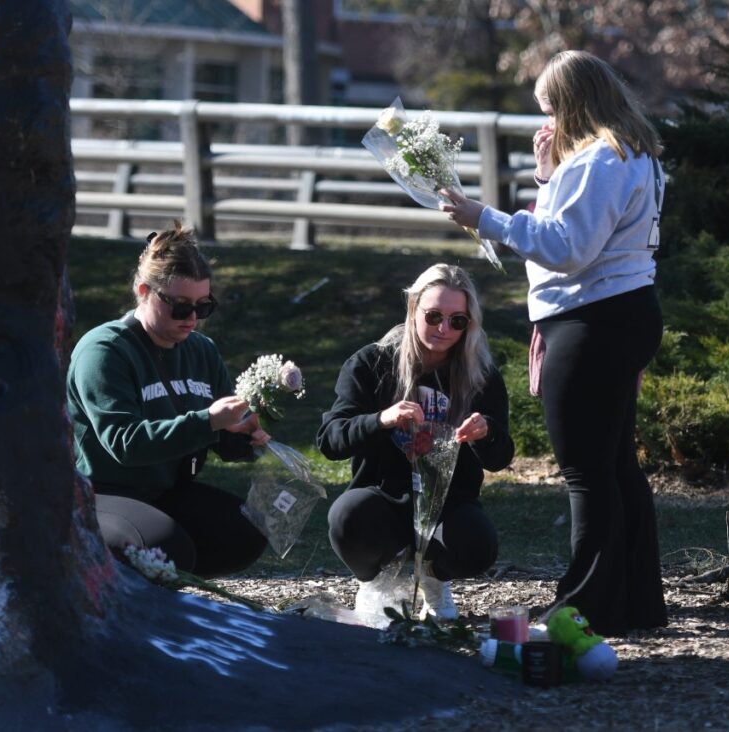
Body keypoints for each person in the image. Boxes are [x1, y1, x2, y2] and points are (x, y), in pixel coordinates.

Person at [440, 50, 667, 635]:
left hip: (592, 321)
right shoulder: (632, 154)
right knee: (617, 467)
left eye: (550, 109)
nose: (547, 120)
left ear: (574, 105)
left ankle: (585, 604)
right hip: (625, 312)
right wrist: (546, 176)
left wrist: (483, 216)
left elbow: (568, 248)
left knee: (585, 471)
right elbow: (585, 227)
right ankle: (637, 599)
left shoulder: (599, 161)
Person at [66, 222, 269, 579]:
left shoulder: (201, 351)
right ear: (145, 292)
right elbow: (125, 444)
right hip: (99, 493)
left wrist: (244, 436)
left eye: (203, 307)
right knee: (168, 548)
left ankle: (164, 589)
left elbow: (219, 437)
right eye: (180, 307)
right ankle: (107, 581)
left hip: (167, 490)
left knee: (247, 531)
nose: (192, 319)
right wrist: (208, 421)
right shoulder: (104, 350)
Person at [316, 264, 514, 620]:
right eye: (434, 315)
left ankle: (435, 580)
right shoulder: (372, 362)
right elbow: (330, 440)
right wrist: (380, 419)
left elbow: (500, 457)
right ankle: (375, 583)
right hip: (383, 494)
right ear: (412, 309)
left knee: (478, 544)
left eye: (457, 321)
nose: (443, 329)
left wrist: (488, 433)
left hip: (448, 503)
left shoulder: (480, 374)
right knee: (346, 518)